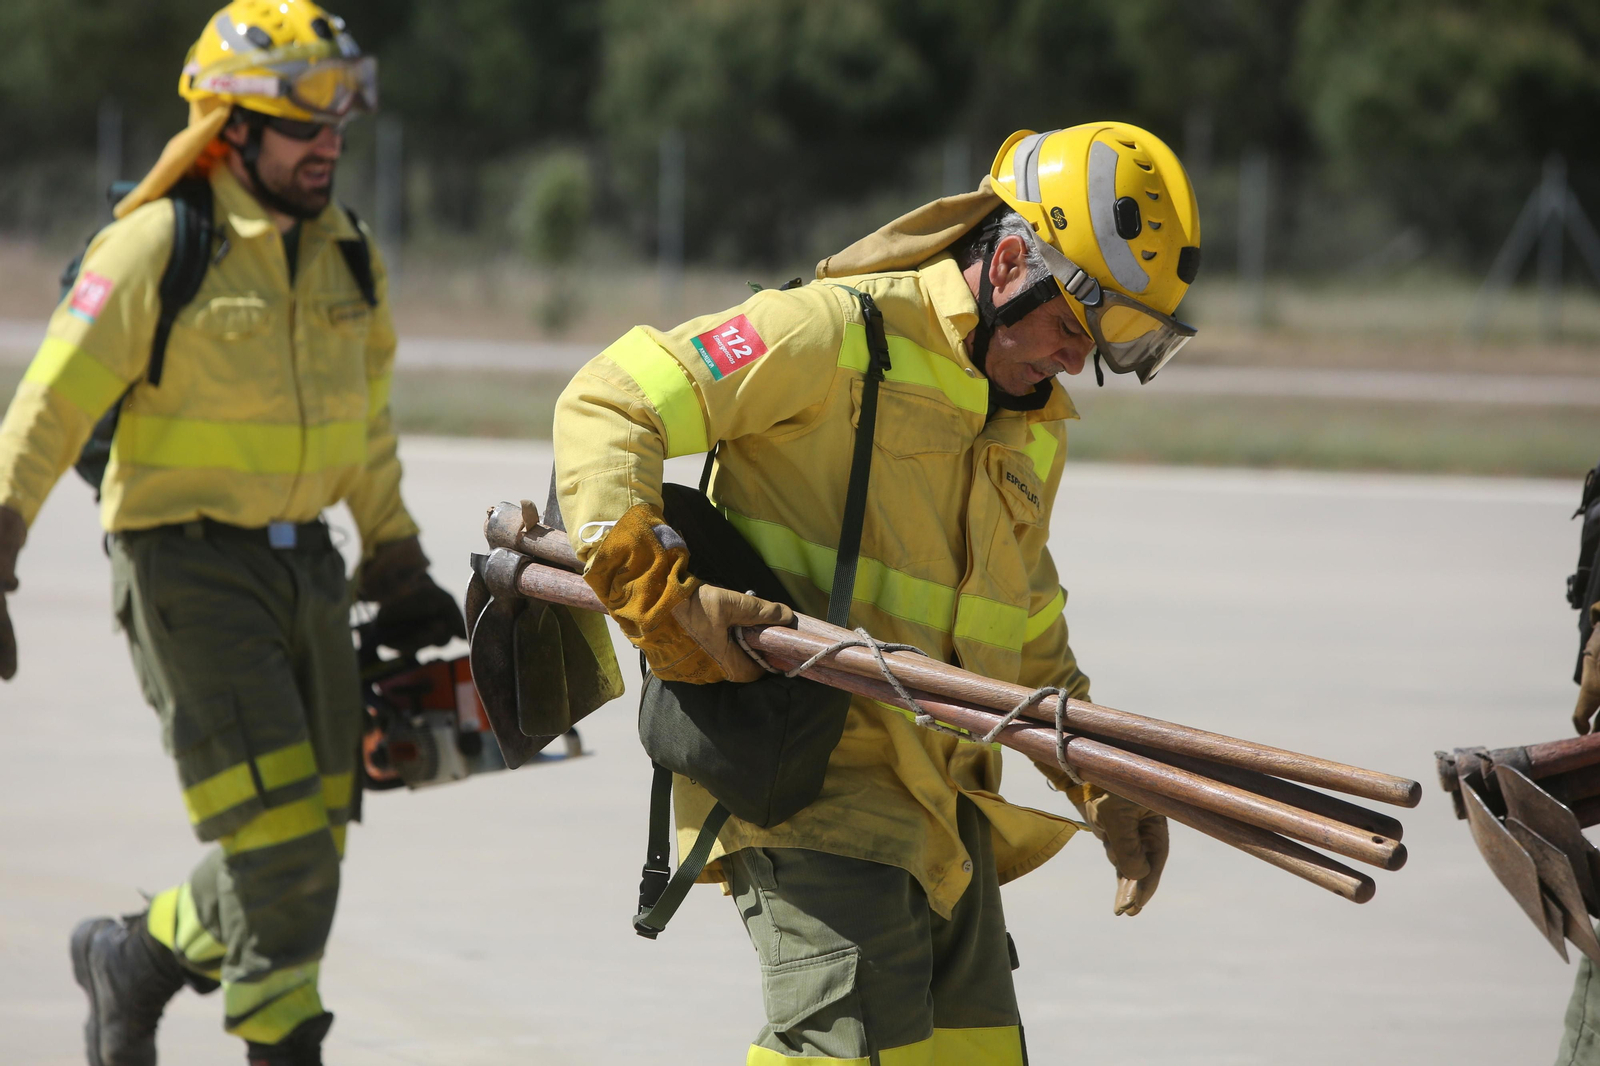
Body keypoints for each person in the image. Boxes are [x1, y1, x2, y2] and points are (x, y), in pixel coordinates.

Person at [553, 121, 1201, 1063]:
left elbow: (1022, 619)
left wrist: (1097, 773)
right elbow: (611, 398)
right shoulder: (831, 333)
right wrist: (653, 593)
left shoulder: (1032, 427)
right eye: (1073, 325)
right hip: (813, 782)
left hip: (947, 805)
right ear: (1013, 258)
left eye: (1111, 342)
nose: (1076, 361)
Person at [0, 3, 464, 1063]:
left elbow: (366, 427)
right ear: (232, 129)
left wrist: (394, 557)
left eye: (341, 110)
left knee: (307, 839)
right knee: (282, 855)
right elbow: (49, 405)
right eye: (305, 114)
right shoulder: (161, 241)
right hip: (185, 569)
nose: (331, 137)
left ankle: (134, 959)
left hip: (310, 572)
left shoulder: (349, 254)